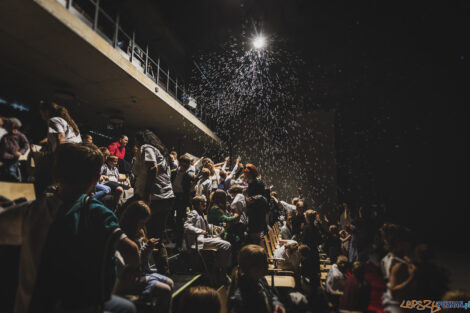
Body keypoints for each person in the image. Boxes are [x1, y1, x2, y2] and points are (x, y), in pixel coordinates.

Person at [0, 143, 139, 313]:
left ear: (56, 173)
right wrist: (131, 272)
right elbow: (132, 251)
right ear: (96, 179)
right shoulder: (97, 212)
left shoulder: (31, 211)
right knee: (128, 308)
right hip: (82, 306)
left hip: (30, 306)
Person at [116, 200, 174, 313]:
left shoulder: (140, 231)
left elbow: (143, 258)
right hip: (131, 276)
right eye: (141, 223)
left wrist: (149, 248)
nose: (143, 226)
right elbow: (133, 261)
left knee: (170, 283)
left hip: (143, 271)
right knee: (166, 289)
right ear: (133, 220)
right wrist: (147, 247)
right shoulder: (124, 236)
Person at [133, 130, 175, 274]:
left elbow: (152, 168)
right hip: (166, 197)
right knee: (157, 237)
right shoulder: (161, 152)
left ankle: (138, 269)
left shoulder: (147, 148)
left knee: (137, 232)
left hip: (153, 197)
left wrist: (147, 193)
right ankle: (164, 271)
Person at [228, 244, 286, 313]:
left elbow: (271, 294)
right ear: (253, 269)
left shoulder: (261, 279)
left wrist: (277, 304)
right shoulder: (241, 300)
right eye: (264, 263)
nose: (267, 266)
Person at [184, 196, 232, 271]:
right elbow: (186, 226)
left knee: (222, 238)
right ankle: (223, 269)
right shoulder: (193, 213)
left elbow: (203, 225)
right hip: (198, 240)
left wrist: (216, 227)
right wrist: (200, 231)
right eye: (204, 202)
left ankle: (217, 267)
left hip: (204, 238)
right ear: (200, 204)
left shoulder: (201, 213)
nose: (206, 204)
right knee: (226, 245)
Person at [172, 155, 196, 249]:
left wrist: (189, 204)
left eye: (188, 165)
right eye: (185, 164)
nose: (187, 166)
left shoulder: (189, 176)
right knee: (170, 219)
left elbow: (190, 191)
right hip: (172, 197)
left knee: (180, 221)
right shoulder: (173, 173)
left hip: (182, 199)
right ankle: (175, 236)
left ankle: (179, 244)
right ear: (180, 163)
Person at [243, 164, 268, 244]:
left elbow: (263, 197)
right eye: (245, 174)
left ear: (252, 173)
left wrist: (252, 199)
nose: (245, 175)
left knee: (256, 234)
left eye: (247, 174)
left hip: (258, 211)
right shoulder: (249, 183)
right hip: (251, 210)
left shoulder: (259, 183)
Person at [0, 118, 29, 182]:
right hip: (4, 159)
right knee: (4, 174)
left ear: (12, 125)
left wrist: (20, 152)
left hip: (13, 159)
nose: (5, 125)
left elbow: (26, 145)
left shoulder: (19, 135)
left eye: (7, 124)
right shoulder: (5, 136)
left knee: (11, 172)